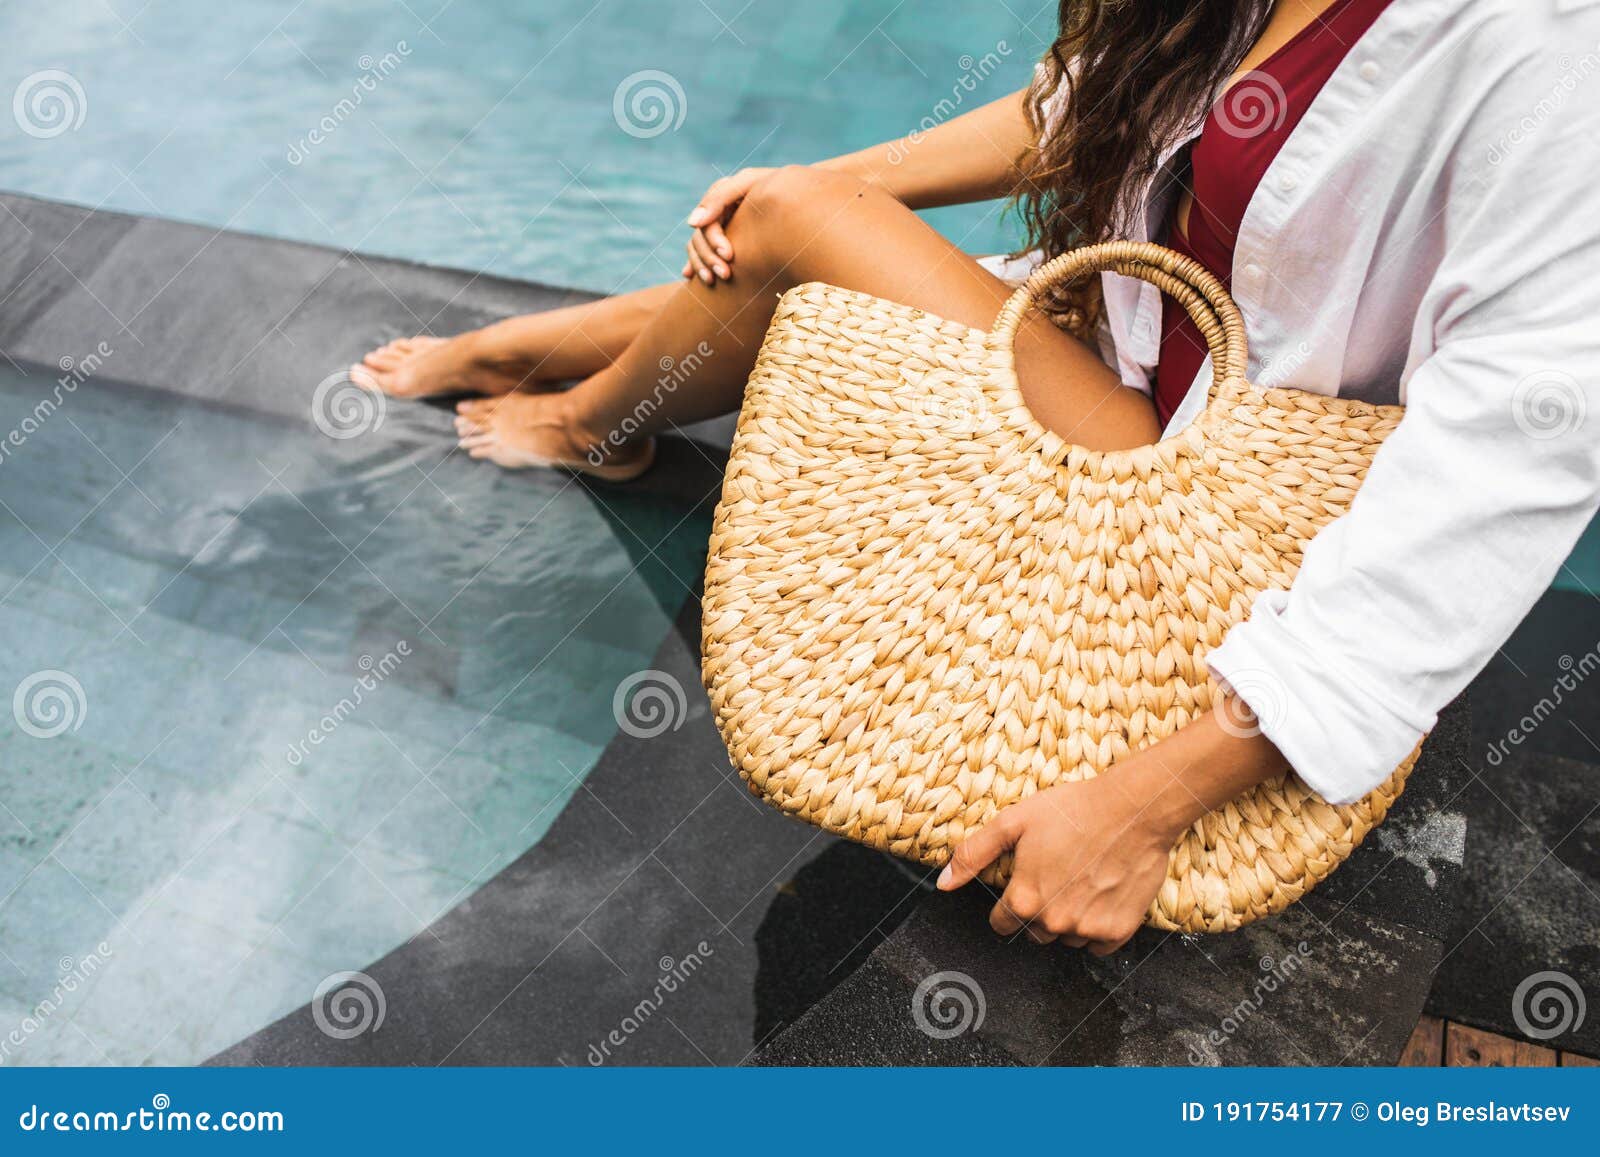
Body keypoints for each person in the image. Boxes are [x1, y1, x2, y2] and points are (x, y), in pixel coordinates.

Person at [352, 0, 1600, 953]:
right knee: (812, 241)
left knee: (793, 229)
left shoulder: (1551, 59)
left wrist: (1148, 801)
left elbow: (1513, 450)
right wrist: (865, 185)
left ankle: (584, 421)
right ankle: (529, 345)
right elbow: (1100, 100)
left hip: (1205, 497)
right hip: (1130, 356)